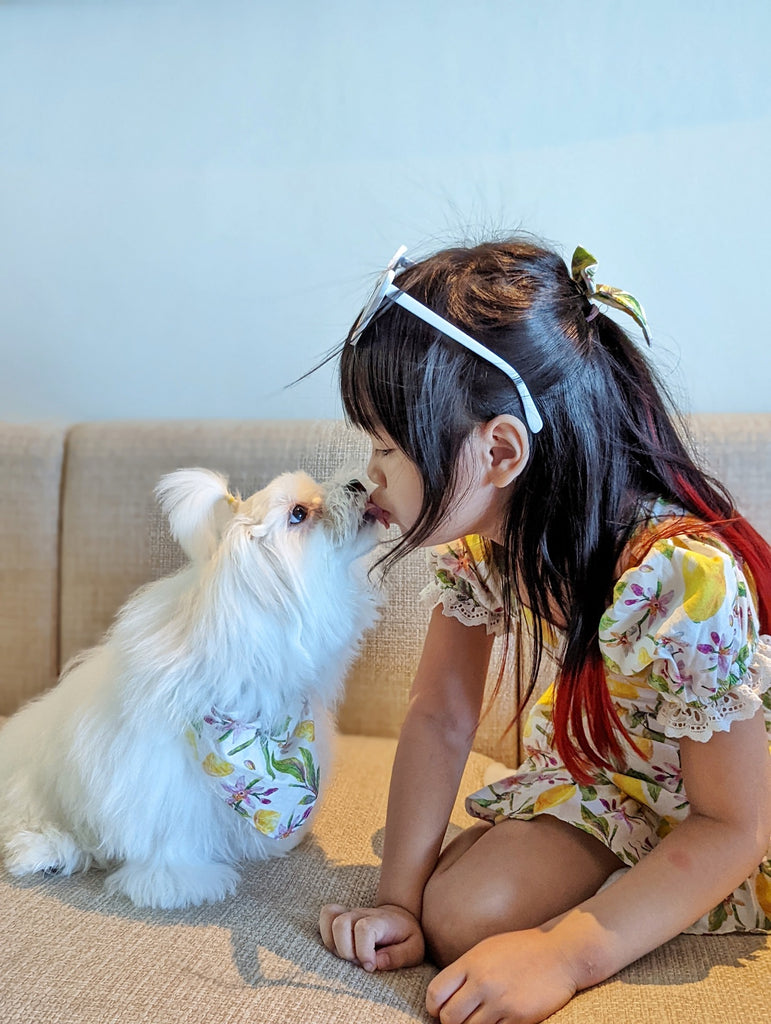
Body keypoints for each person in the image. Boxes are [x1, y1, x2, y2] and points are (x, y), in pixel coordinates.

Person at [317, 237, 771, 1024]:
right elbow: (438, 714)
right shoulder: (487, 547)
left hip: (721, 811)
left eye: (388, 447)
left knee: (466, 915)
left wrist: (565, 953)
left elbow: (736, 823)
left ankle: (634, 894)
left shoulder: (679, 579)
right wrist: (395, 902)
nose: (372, 474)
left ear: (498, 450)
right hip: (606, 777)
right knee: (447, 910)